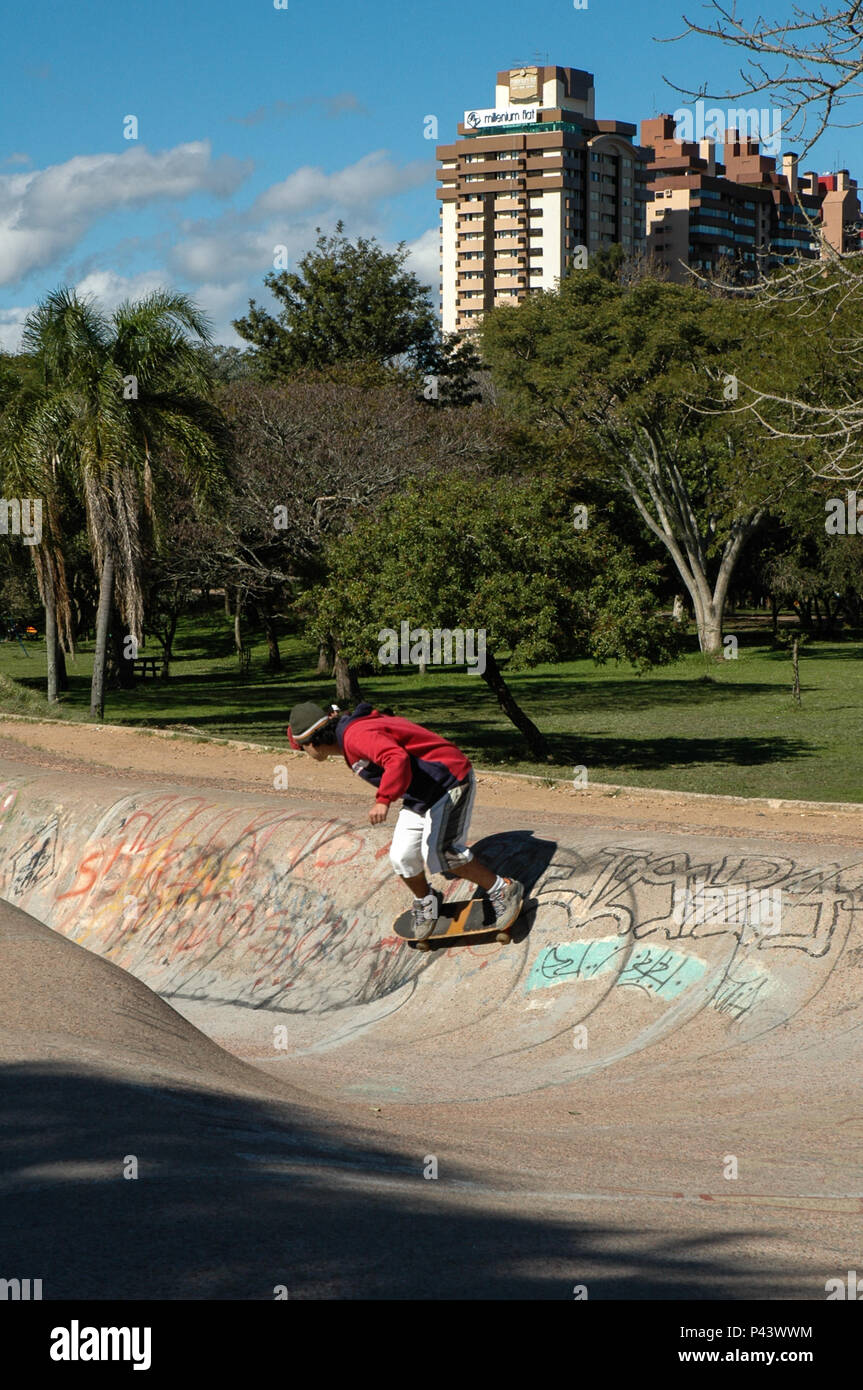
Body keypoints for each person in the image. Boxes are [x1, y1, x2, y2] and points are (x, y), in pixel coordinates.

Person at [287, 700, 523, 940]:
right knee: (401, 856)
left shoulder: (354, 736)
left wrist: (383, 799)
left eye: (301, 747)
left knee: (444, 853)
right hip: (420, 796)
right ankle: (426, 900)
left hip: (448, 781)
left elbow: (396, 758)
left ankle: (503, 889)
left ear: (313, 741)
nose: (303, 753)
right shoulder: (345, 737)